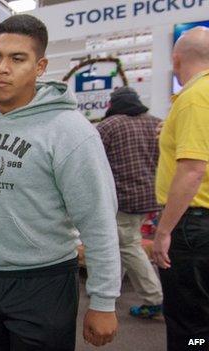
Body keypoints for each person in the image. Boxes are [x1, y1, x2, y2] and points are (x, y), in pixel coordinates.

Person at [0, 14, 120, 350]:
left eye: (17, 59)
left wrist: (103, 301)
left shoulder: (70, 132)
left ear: (40, 67)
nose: (1, 68)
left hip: (45, 282)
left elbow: (97, 219)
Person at [152, 26, 209, 350]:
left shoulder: (194, 97)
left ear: (176, 59)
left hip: (192, 224)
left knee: (190, 323)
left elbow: (192, 170)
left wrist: (164, 231)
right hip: (201, 222)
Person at [97, 86, 164, 319]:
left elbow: (93, 163)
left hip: (122, 199)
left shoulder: (109, 126)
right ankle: (111, 289)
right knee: (122, 242)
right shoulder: (155, 123)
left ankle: (155, 299)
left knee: (128, 245)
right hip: (150, 197)